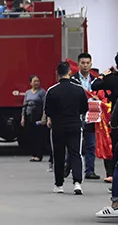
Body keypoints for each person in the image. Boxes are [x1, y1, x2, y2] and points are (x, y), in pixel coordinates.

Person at [44, 61, 88, 195]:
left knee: (58, 154)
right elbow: (84, 108)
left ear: (57, 74)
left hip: (58, 127)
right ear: (70, 72)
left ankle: (59, 185)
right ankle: (77, 183)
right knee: (76, 154)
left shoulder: (52, 90)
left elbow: (48, 110)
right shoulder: (79, 89)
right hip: (75, 125)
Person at [93, 51, 118, 183]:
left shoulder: (112, 79)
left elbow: (94, 85)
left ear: (117, 66)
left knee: (116, 147)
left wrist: (103, 75)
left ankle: (113, 174)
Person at [71, 53, 99, 179]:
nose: (85, 65)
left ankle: (90, 170)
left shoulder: (96, 80)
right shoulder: (73, 80)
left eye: (88, 63)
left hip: (92, 114)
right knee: (73, 143)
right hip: (77, 114)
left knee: (91, 144)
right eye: (83, 63)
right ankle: (68, 165)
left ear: (91, 64)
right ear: (78, 65)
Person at [21, 75, 48, 162]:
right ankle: (34, 154)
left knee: (39, 136)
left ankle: (39, 155)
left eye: (38, 81)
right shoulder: (28, 92)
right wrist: (23, 118)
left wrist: (44, 117)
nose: (37, 83)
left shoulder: (42, 92)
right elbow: (24, 106)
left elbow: (45, 105)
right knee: (30, 136)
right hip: (29, 116)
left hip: (38, 116)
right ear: (30, 83)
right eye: (35, 81)